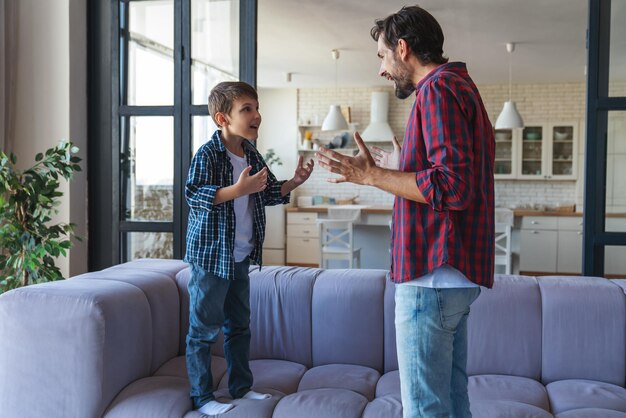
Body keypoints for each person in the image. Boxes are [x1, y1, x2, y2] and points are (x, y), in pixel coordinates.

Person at [317, 6, 494, 418]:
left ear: (402, 47)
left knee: (424, 409)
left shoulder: (435, 91)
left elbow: (453, 186)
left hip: (430, 276)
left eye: (382, 56)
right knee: (451, 402)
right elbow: (449, 175)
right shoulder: (460, 87)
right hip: (451, 277)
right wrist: (399, 164)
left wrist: (374, 176)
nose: (382, 69)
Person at [184, 81, 314, 415]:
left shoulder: (251, 153)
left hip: (240, 258)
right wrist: (236, 190)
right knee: (203, 332)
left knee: (239, 327)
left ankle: (241, 387)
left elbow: (269, 193)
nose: (257, 115)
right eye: (247, 109)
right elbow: (194, 196)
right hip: (212, 260)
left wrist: (294, 181)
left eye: (256, 108)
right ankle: (201, 398)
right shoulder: (209, 153)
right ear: (221, 118)